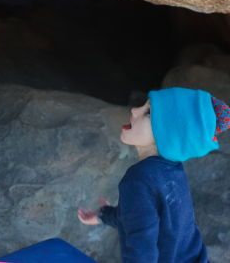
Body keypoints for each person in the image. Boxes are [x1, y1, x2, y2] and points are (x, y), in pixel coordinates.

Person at [77, 87, 230, 262]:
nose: (135, 110)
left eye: (148, 112)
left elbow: (141, 249)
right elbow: (146, 219)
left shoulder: (138, 180)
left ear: (169, 135)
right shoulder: (174, 172)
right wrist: (104, 215)